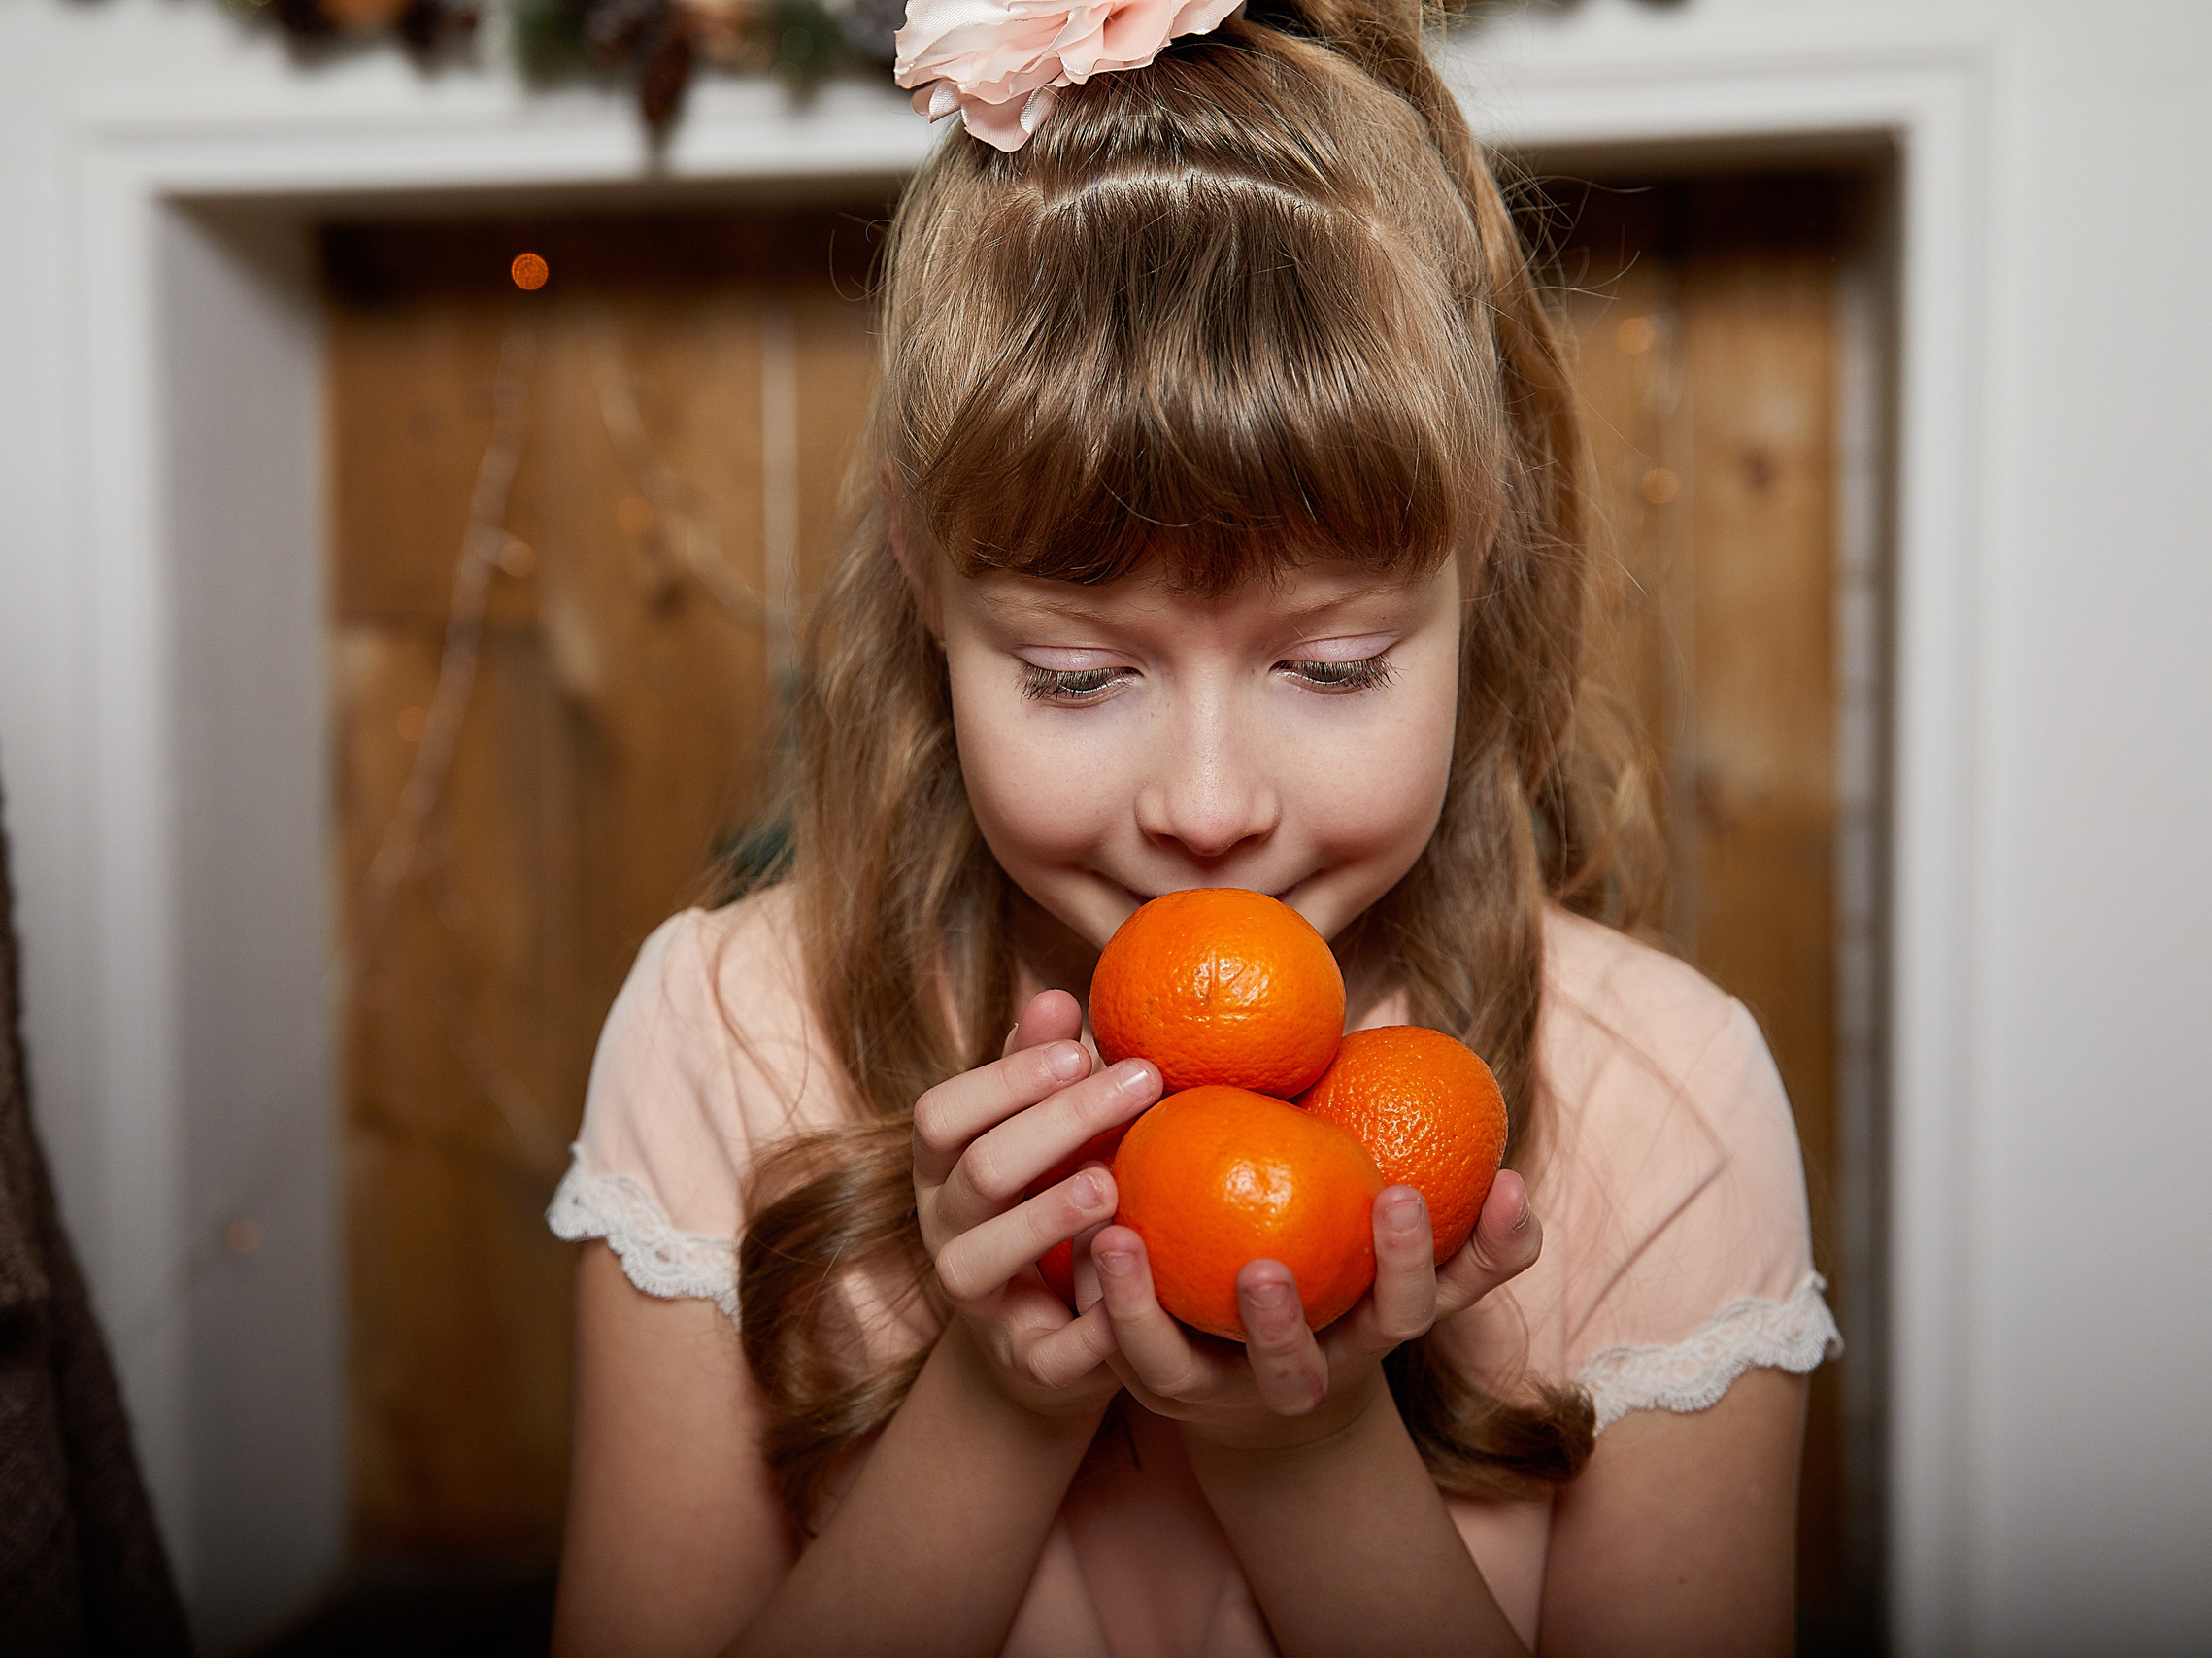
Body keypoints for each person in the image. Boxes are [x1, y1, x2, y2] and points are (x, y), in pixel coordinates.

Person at [549, 0, 1841, 1649]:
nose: (1211, 808)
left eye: (1332, 665)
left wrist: (1301, 1454)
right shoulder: (727, 1036)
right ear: (925, 582)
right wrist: (999, 1405)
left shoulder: (1667, 1105)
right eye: (1082, 677)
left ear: (1481, 557)